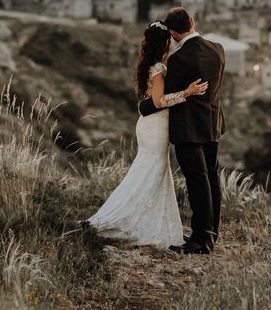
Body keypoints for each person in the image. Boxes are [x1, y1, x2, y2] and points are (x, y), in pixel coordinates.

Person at [85, 21, 208, 249]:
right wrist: (187, 93)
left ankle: (141, 218)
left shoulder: (147, 65)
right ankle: (127, 219)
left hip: (147, 124)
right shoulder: (159, 69)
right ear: (164, 43)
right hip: (156, 126)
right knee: (152, 170)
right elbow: (159, 101)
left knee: (146, 170)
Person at [139, 7, 226, 255]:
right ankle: (210, 233)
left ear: (175, 33)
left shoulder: (179, 59)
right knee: (211, 178)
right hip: (212, 122)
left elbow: (166, 97)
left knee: (197, 181)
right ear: (193, 22)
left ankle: (200, 240)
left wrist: (144, 106)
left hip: (188, 128)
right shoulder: (217, 49)